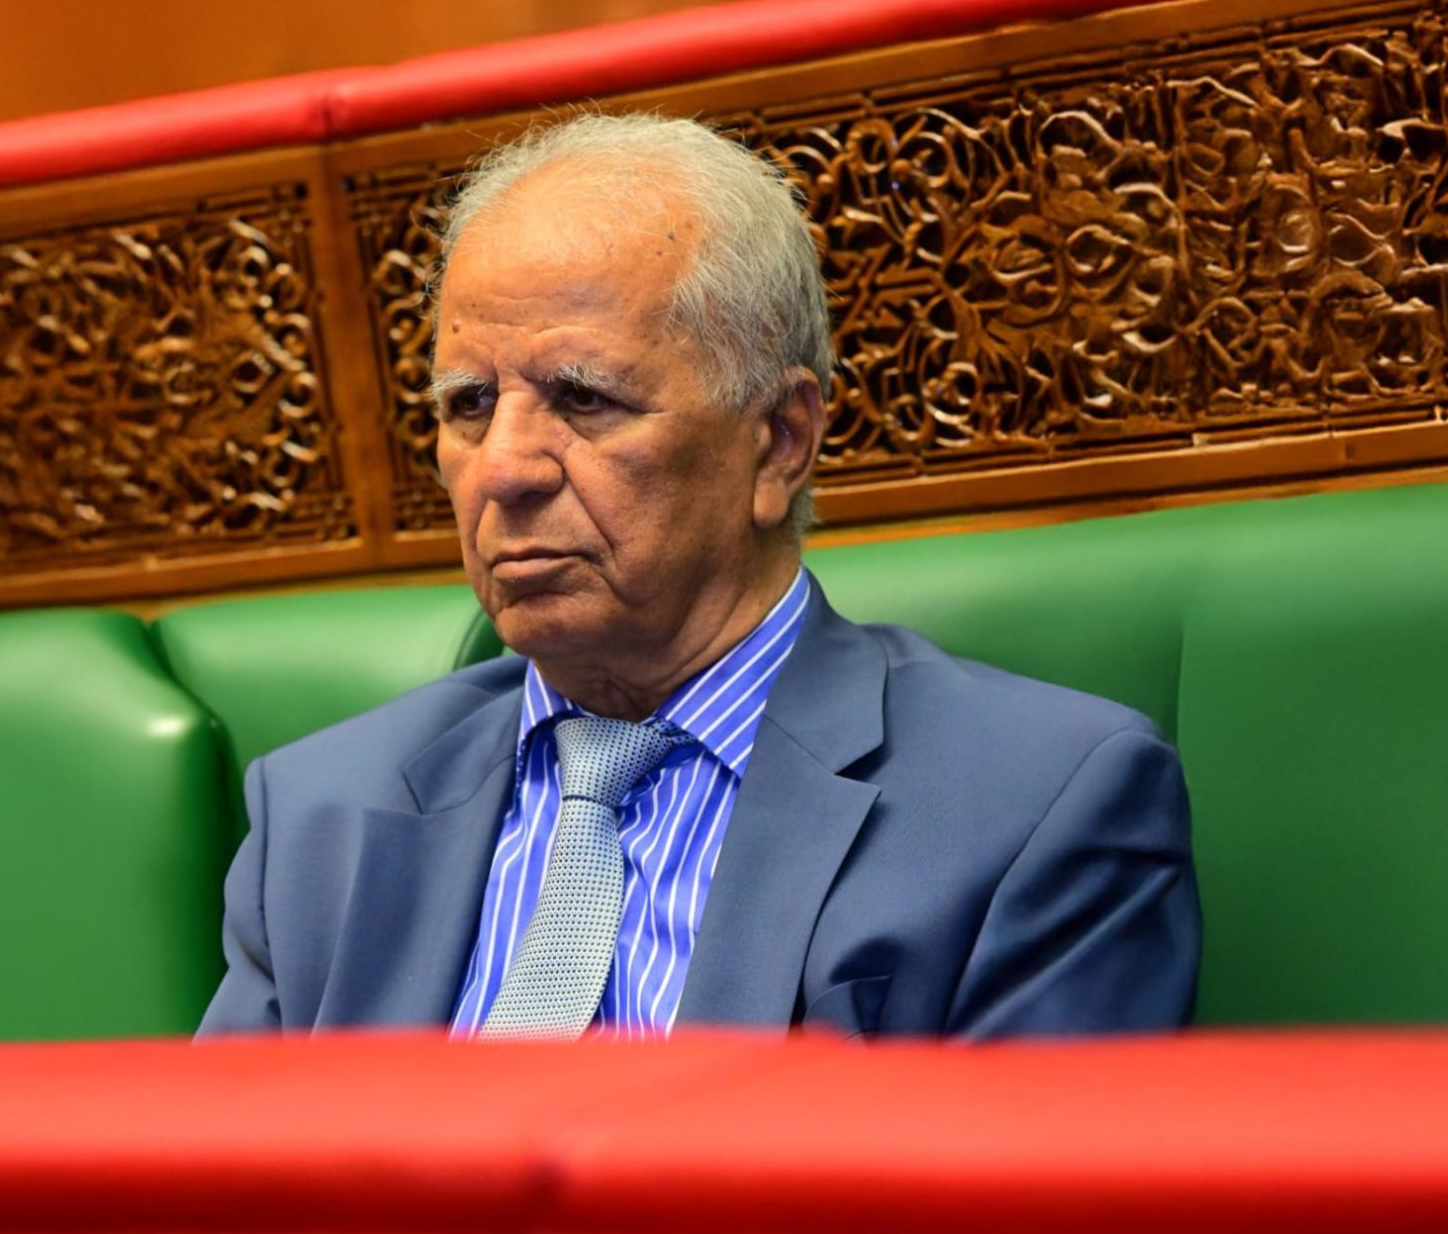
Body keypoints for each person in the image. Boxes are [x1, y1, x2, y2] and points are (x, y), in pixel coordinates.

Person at [197, 113, 1199, 1040]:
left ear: (779, 442)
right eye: (468, 404)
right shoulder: (318, 819)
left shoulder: (1036, 803)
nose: (502, 468)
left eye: (582, 398)